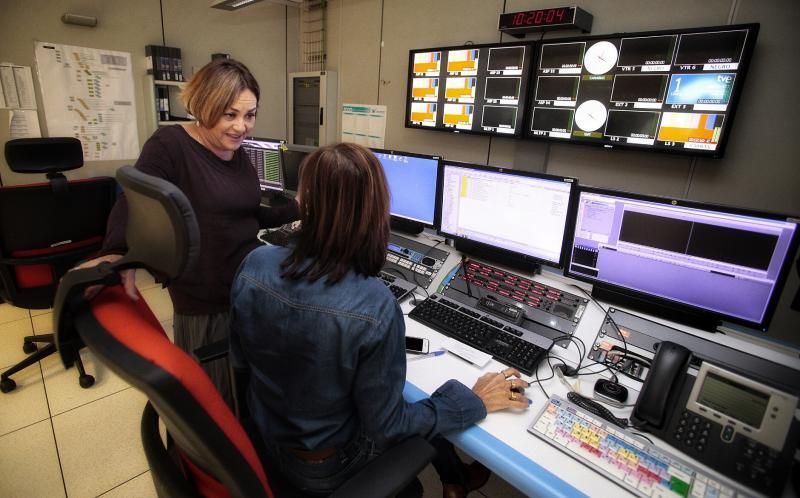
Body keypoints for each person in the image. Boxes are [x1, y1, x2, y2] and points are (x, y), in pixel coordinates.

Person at [229, 143, 531, 497]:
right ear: (374, 211)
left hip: (265, 442)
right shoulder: (374, 305)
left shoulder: (253, 264)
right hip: (326, 467)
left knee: (426, 400)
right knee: (444, 397)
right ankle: (455, 474)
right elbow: (388, 426)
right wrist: (474, 400)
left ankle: (454, 478)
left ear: (304, 201)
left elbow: (240, 362)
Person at [81, 59, 298, 406]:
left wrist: (299, 207)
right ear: (204, 106)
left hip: (244, 286)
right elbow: (134, 201)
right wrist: (116, 251)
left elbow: (245, 213)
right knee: (213, 399)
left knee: (251, 385)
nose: (242, 127)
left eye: (250, 115)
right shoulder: (171, 145)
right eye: (230, 115)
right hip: (204, 300)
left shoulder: (237, 153)